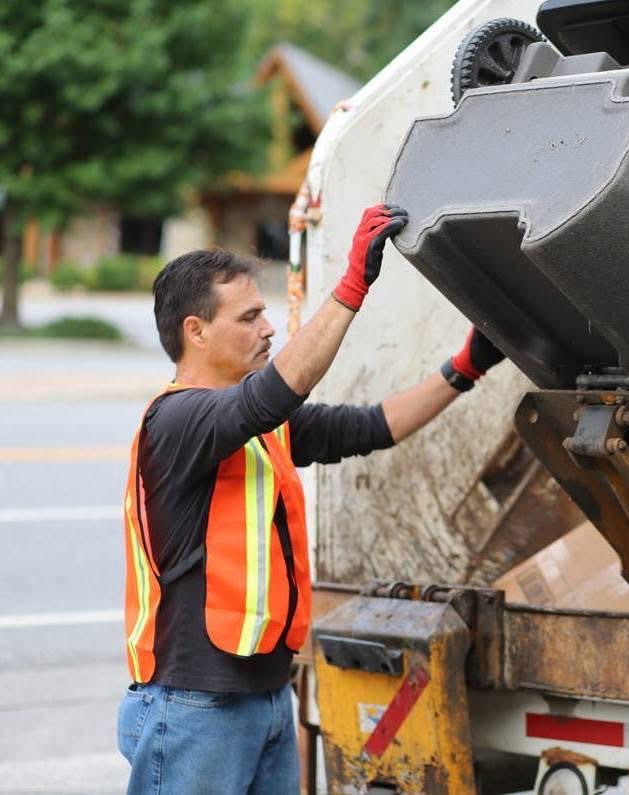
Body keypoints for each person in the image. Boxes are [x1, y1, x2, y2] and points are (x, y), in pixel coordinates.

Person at [117, 204, 505, 794]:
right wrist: (352, 287)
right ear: (195, 331)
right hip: (196, 705)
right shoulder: (176, 419)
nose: (267, 329)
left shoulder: (260, 426)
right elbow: (272, 395)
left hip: (266, 697)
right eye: (248, 318)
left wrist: (463, 369)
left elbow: (373, 427)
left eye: (264, 315)